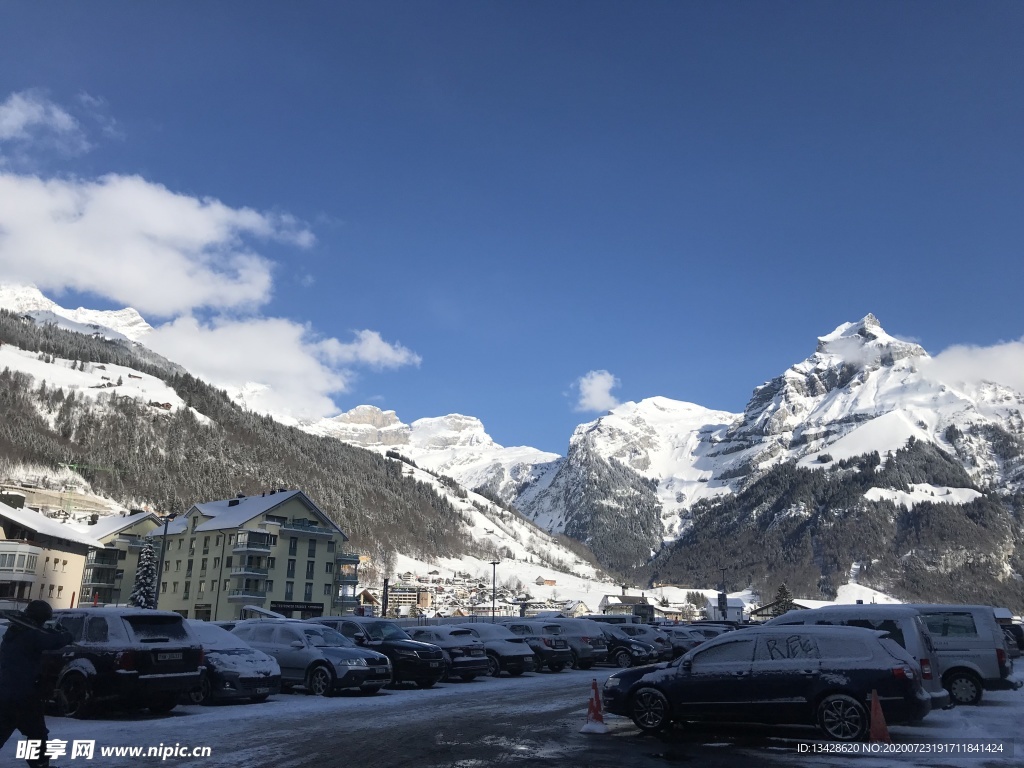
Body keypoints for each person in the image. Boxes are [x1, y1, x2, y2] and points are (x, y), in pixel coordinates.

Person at [0, 600, 73, 768]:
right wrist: (67, 635)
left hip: (5, 693)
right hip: (24, 695)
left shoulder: (15, 633)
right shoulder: (30, 635)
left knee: (3, 729)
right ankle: (39, 764)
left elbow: (43, 638)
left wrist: (52, 632)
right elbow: (52, 642)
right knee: (37, 733)